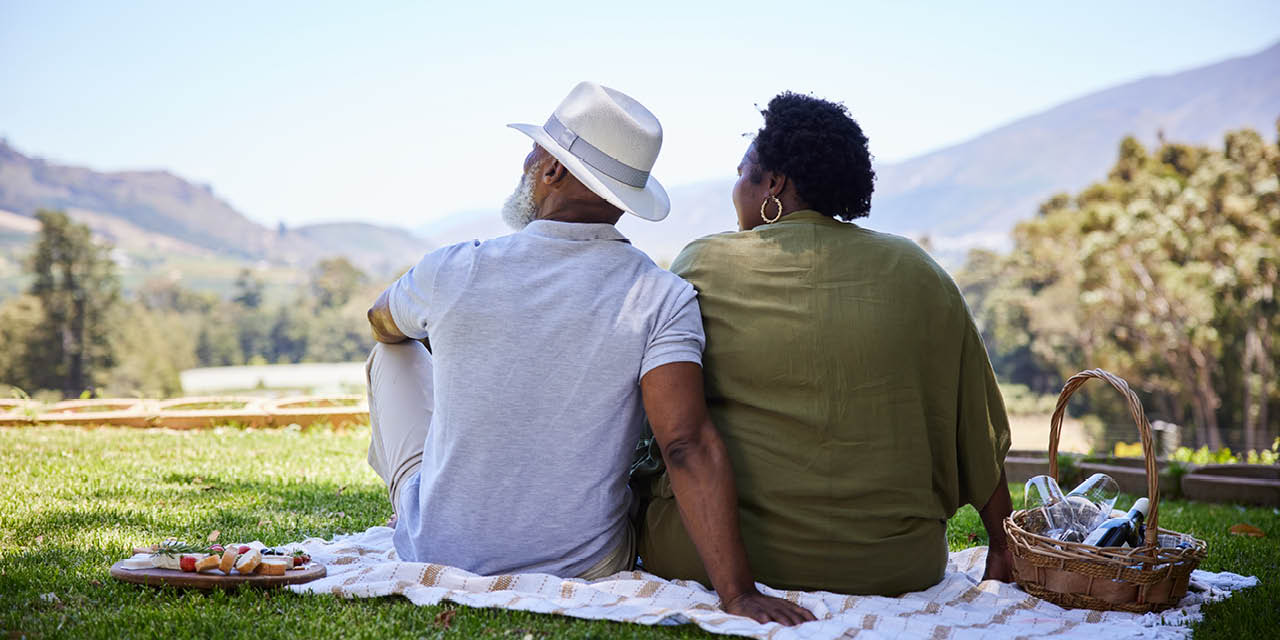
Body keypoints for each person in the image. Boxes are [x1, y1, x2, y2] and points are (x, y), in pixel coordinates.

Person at [363, 82, 814, 625]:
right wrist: (738, 595)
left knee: (391, 356)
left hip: (438, 548)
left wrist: (463, 341)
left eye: (534, 152)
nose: (525, 163)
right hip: (587, 562)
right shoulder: (662, 295)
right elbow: (685, 443)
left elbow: (380, 321)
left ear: (551, 171)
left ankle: (421, 504)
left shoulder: (454, 269)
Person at [639, 92, 1014, 596]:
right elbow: (977, 426)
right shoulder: (918, 271)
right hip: (894, 565)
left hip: (710, 558)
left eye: (741, 172)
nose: (734, 189)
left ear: (774, 184)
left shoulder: (704, 263)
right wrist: (1002, 544)